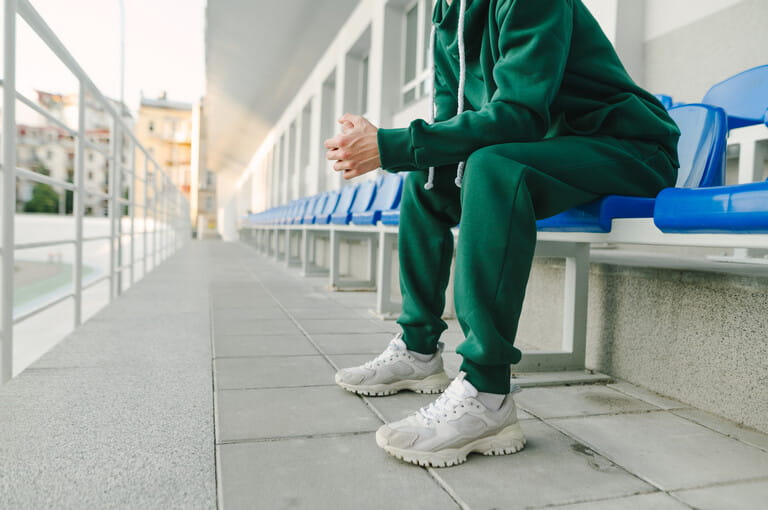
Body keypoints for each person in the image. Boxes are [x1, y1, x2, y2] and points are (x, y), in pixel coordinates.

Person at [324, 0, 679, 468]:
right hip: (557, 149)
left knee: (493, 165)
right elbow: (452, 111)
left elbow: (519, 114)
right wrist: (406, 150)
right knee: (425, 177)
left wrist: (391, 143)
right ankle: (418, 349)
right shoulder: (448, 10)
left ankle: (487, 394)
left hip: (629, 148)